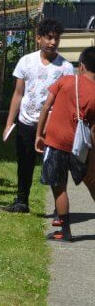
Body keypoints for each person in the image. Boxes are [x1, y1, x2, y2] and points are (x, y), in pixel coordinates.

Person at [0, 18, 74, 213]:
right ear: (38, 38)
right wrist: (9, 123)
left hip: (52, 126)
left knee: (55, 166)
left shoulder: (65, 68)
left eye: (56, 39)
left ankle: (60, 208)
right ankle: (22, 200)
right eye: (49, 38)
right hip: (26, 121)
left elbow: (67, 100)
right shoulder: (26, 61)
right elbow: (18, 93)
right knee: (24, 162)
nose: (53, 42)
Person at [35, 46, 95, 241]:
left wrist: (39, 134)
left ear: (82, 66)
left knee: (59, 186)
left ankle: (65, 231)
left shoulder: (66, 81)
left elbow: (46, 106)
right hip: (82, 147)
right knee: (92, 183)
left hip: (56, 142)